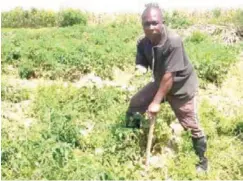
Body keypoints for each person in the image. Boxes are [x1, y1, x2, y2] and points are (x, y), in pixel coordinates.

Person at [125, 3, 208, 172]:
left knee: (190, 125)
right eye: (146, 24)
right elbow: (142, 58)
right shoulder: (143, 42)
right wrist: (140, 66)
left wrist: (155, 102)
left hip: (181, 87)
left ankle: (202, 162)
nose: (151, 27)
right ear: (142, 24)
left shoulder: (173, 41)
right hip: (160, 82)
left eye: (154, 22)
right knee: (135, 103)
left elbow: (170, 76)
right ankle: (131, 142)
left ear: (162, 22)